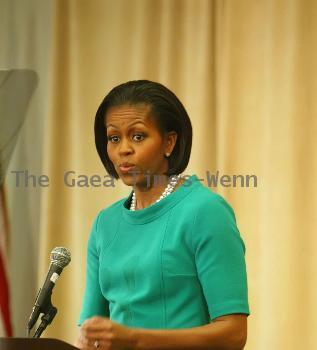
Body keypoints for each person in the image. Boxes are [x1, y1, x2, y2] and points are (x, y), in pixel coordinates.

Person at [74, 80, 250, 350]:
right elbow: (90, 331)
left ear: (169, 141)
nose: (123, 149)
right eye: (114, 138)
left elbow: (234, 333)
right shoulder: (104, 224)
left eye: (138, 136)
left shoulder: (205, 212)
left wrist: (134, 339)